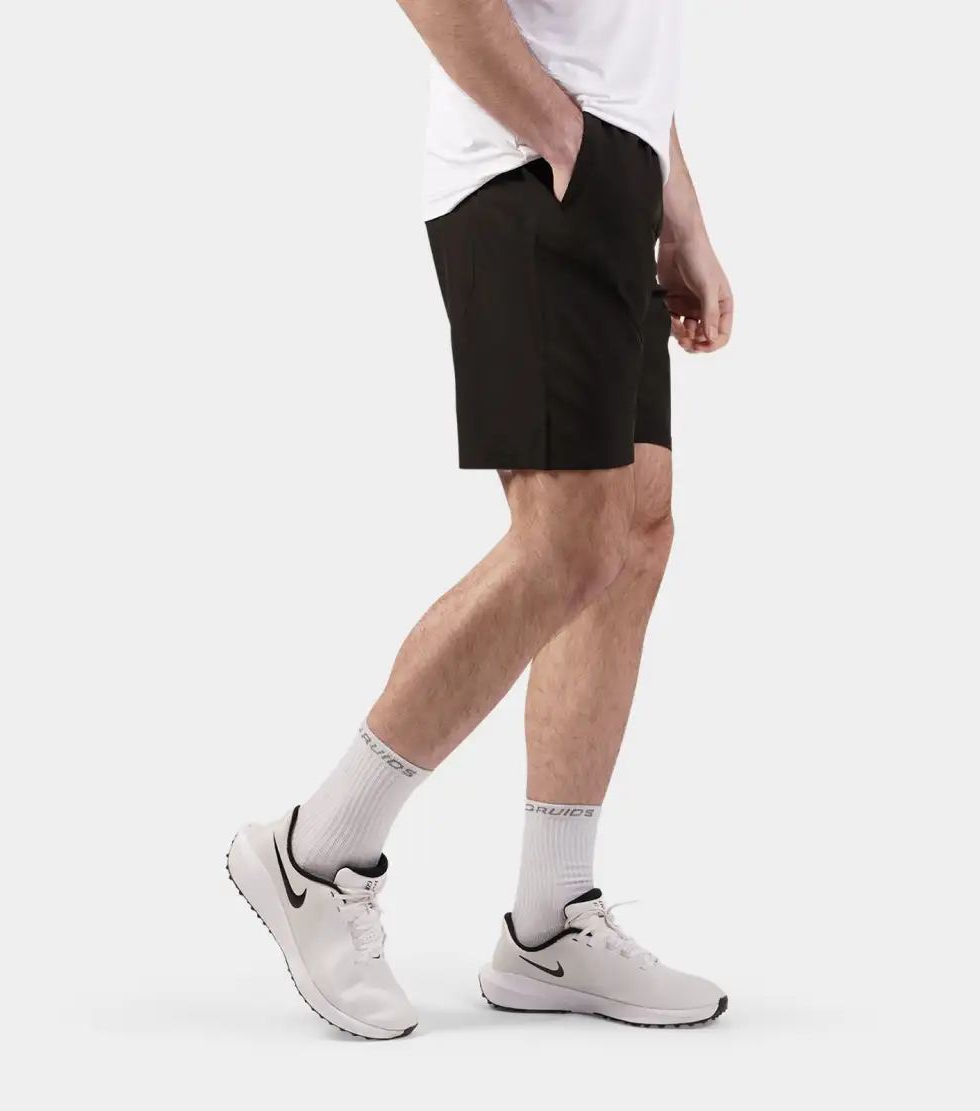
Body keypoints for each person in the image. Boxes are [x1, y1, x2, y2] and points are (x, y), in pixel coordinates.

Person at [227, 0, 733, 1040]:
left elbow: (623, 32)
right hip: (527, 175)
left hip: (611, 178)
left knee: (635, 533)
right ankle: (314, 851)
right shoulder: (548, 155)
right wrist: (566, 142)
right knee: (569, 542)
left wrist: (674, 210)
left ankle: (549, 921)